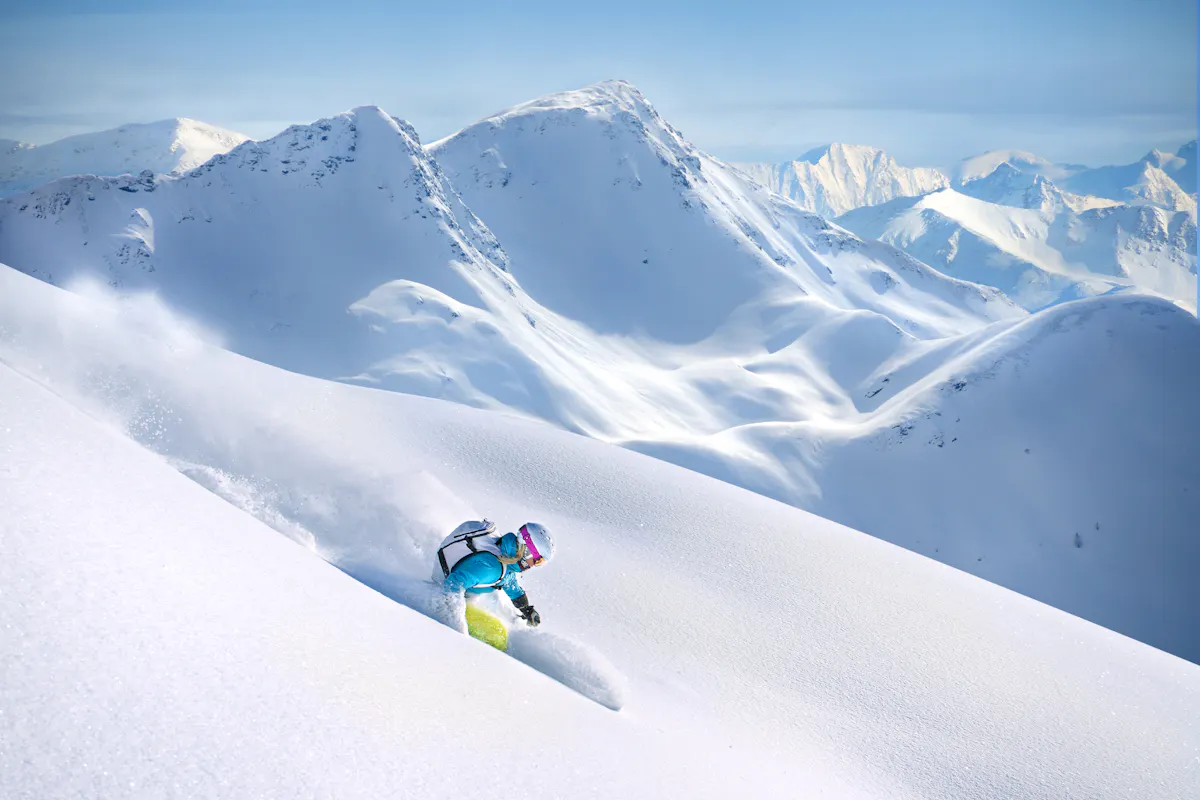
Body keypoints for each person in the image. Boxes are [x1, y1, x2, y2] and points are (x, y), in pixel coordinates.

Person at [432, 519, 555, 632]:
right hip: (444, 594)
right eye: (538, 560)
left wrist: (526, 610)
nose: (535, 565)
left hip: (463, 593)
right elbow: (454, 582)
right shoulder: (492, 568)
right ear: (527, 551)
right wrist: (455, 625)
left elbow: (509, 582)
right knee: (498, 634)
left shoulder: (505, 557)